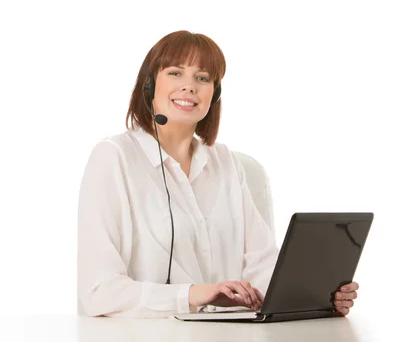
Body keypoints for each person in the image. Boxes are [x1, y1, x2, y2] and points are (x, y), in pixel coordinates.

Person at [77, 30, 359, 318]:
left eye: (202, 78)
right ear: (148, 86)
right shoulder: (114, 157)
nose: (189, 87)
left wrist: (312, 294)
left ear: (215, 93)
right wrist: (194, 293)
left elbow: (261, 262)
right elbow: (98, 292)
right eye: (175, 73)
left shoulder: (226, 163)